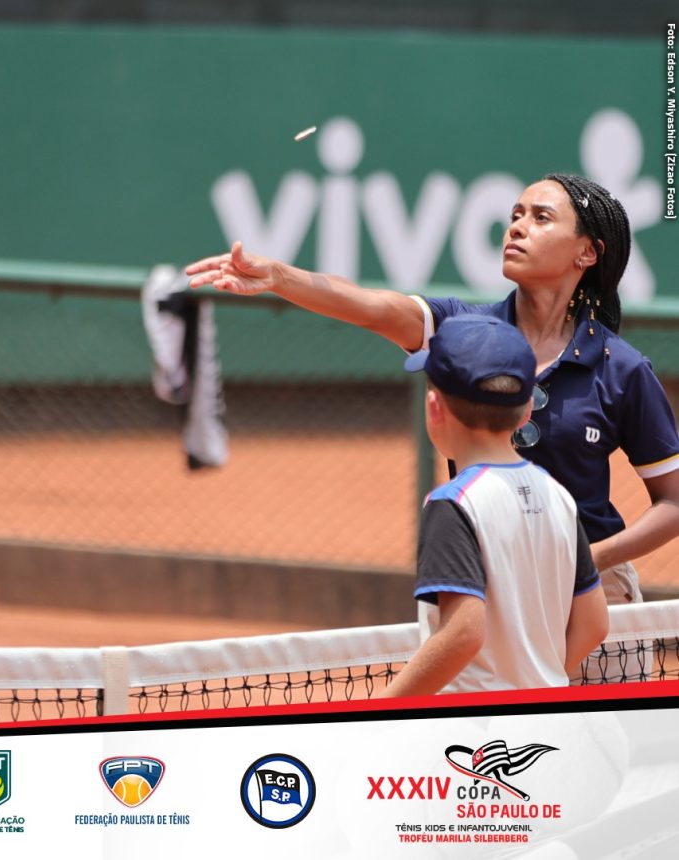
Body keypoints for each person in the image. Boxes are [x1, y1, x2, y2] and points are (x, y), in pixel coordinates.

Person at [187, 173, 679, 682]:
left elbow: (674, 501)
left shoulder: (621, 368)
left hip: (596, 597)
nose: (516, 227)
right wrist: (277, 277)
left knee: (598, 733)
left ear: (587, 253)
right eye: (515, 214)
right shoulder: (466, 333)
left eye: (541, 217)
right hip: (487, 581)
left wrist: (587, 558)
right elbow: (373, 306)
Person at [379, 314, 607, 694]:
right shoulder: (559, 495)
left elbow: (463, 634)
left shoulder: (452, 504)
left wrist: (378, 712)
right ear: (527, 410)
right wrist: (535, 681)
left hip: (474, 728)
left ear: (434, 408)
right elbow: (594, 623)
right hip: (550, 714)